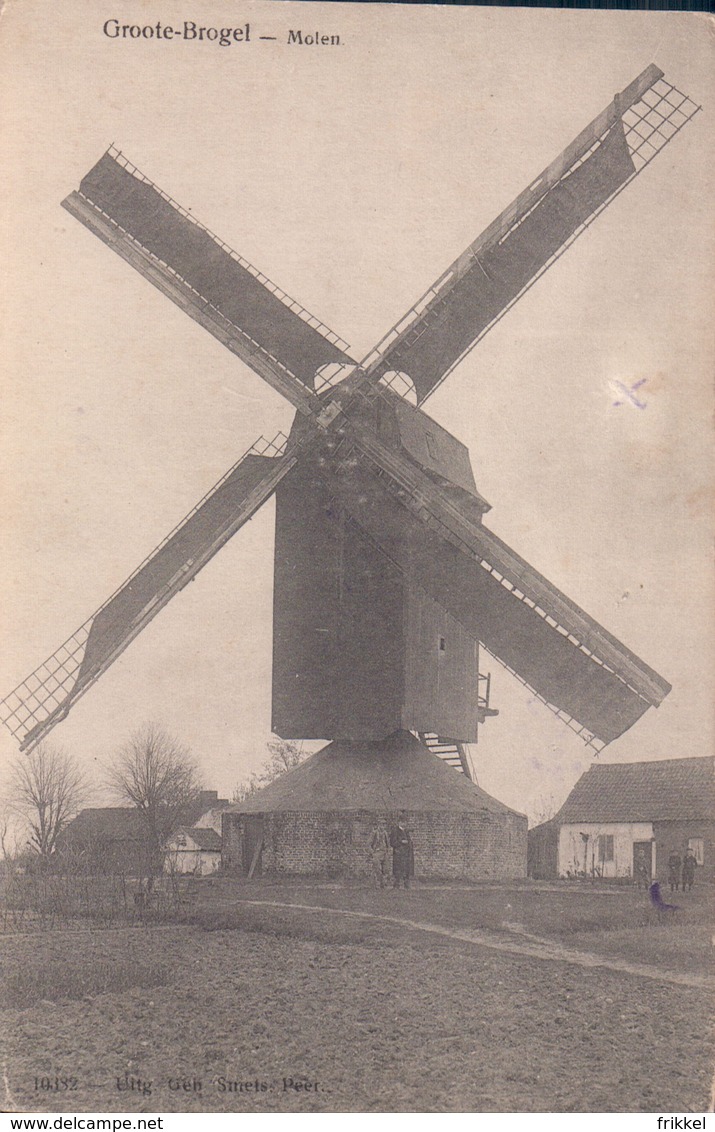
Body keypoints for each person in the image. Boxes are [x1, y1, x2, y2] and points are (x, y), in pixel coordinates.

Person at [389, 818, 414, 889]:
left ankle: (406, 884)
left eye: (405, 822)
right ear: (399, 822)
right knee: (398, 869)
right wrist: (401, 842)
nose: (404, 824)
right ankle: (396, 884)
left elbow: (409, 842)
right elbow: (392, 842)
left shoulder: (406, 831)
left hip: (406, 854)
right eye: (403, 822)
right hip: (398, 853)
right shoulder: (395, 831)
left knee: (406, 869)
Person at [368, 823, 390, 888]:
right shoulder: (374, 833)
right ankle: (376, 884)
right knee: (377, 869)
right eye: (381, 825)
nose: (382, 827)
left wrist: (388, 852)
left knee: (386, 869)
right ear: (378, 825)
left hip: (384, 853)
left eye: (384, 825)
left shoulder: (385, 833)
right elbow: (369, 844)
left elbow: (388, 844)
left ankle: (383, 884)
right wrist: (372, 853)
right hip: (377, 853)